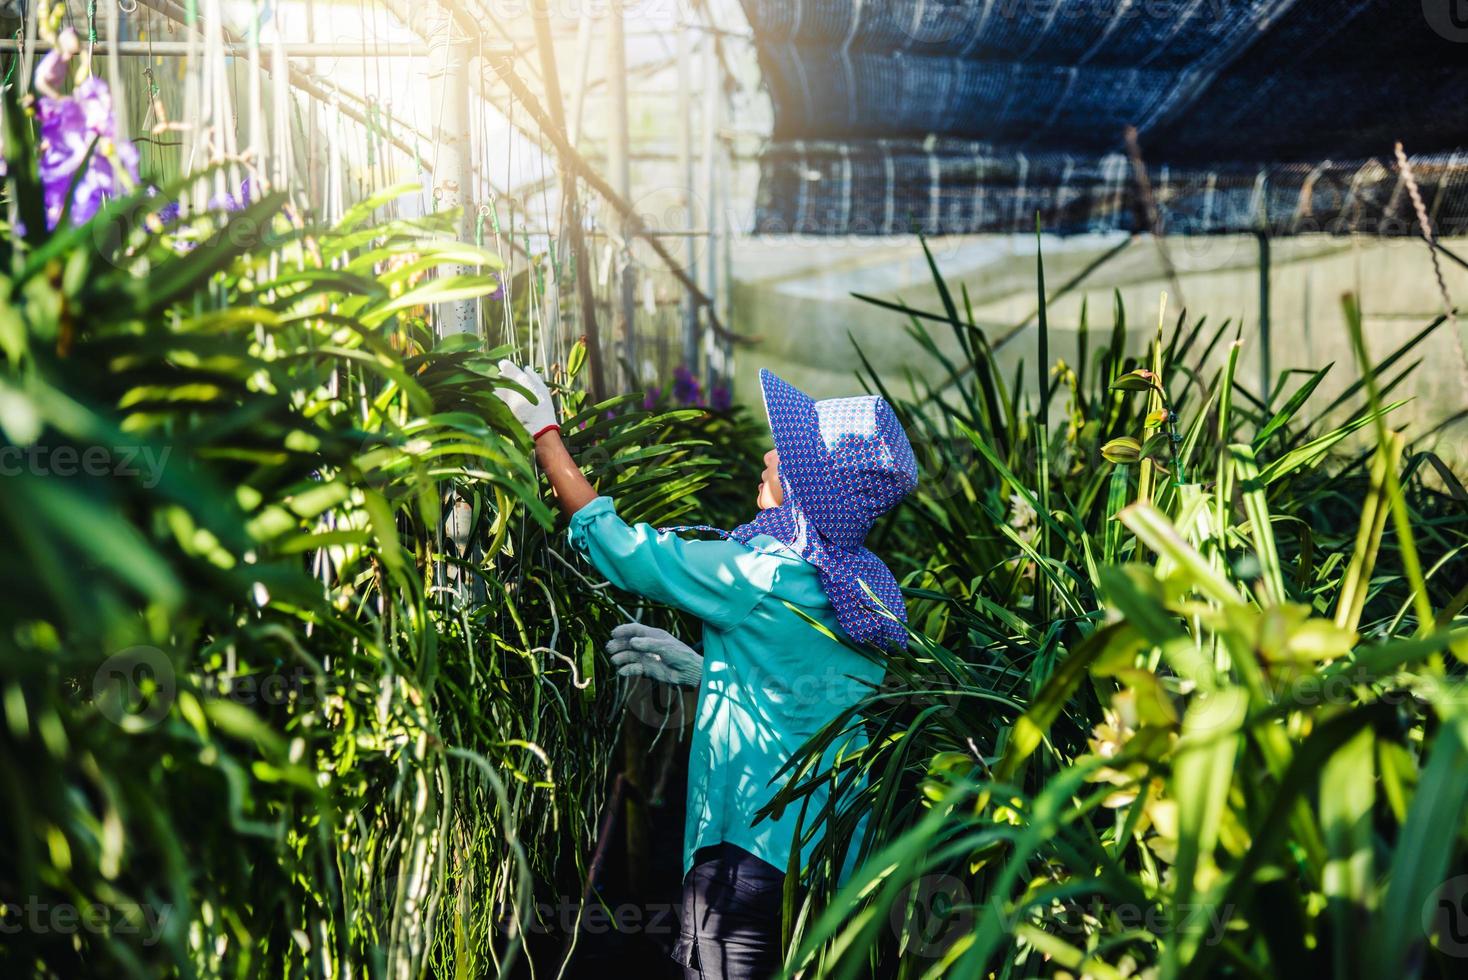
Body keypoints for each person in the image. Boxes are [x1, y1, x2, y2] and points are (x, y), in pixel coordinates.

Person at [496, 362, 918, 980]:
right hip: (830, 847)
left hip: (748, 856)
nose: (772, 455)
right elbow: (815, 695)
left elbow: (619, 548)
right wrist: (709, 671)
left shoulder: (756, 574)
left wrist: (544, 434)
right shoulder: (862, 585)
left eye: (791, 456)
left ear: (809, 490)